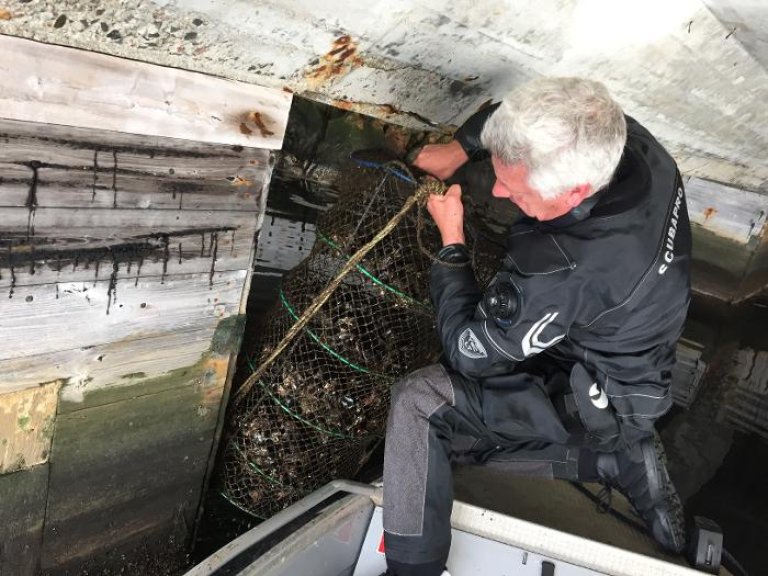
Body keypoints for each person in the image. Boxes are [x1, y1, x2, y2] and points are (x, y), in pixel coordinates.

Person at [380, 77, 691, 576]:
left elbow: (467, 350)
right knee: (448, 438)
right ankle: (616, 456)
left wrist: (452, 240)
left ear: (574, 191)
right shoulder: (623, 142)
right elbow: (518, 117)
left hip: (601, 393)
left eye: (514, 188)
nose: (499, 191)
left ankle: (411, 571)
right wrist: (459, 150)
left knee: (424, 408)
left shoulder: (563, 269)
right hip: (618, 335)